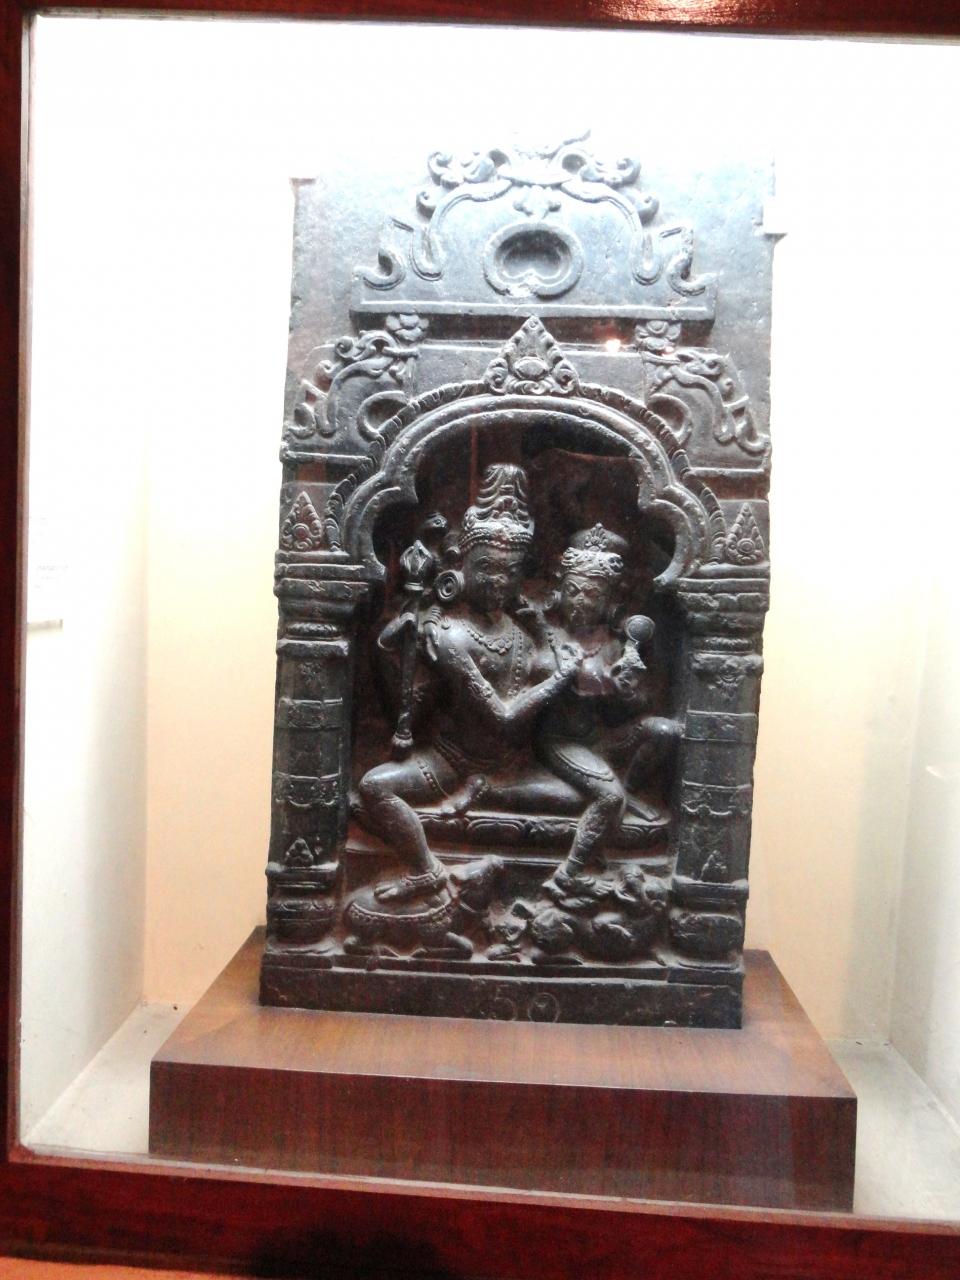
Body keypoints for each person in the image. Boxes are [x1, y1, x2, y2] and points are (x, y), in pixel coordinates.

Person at [358, 464, 579, 903]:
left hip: (509, 765)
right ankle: (425, 871)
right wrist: (559, 678)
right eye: (487, 568)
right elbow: (504, 716)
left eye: (509, 572)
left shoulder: (519, 630)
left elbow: (550, 676)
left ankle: (485, 794)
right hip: (450, 762)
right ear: (460, 567)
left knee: (586, 799)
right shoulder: (450, 634)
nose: (499, 581)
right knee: (373, 787)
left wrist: (543, 634)